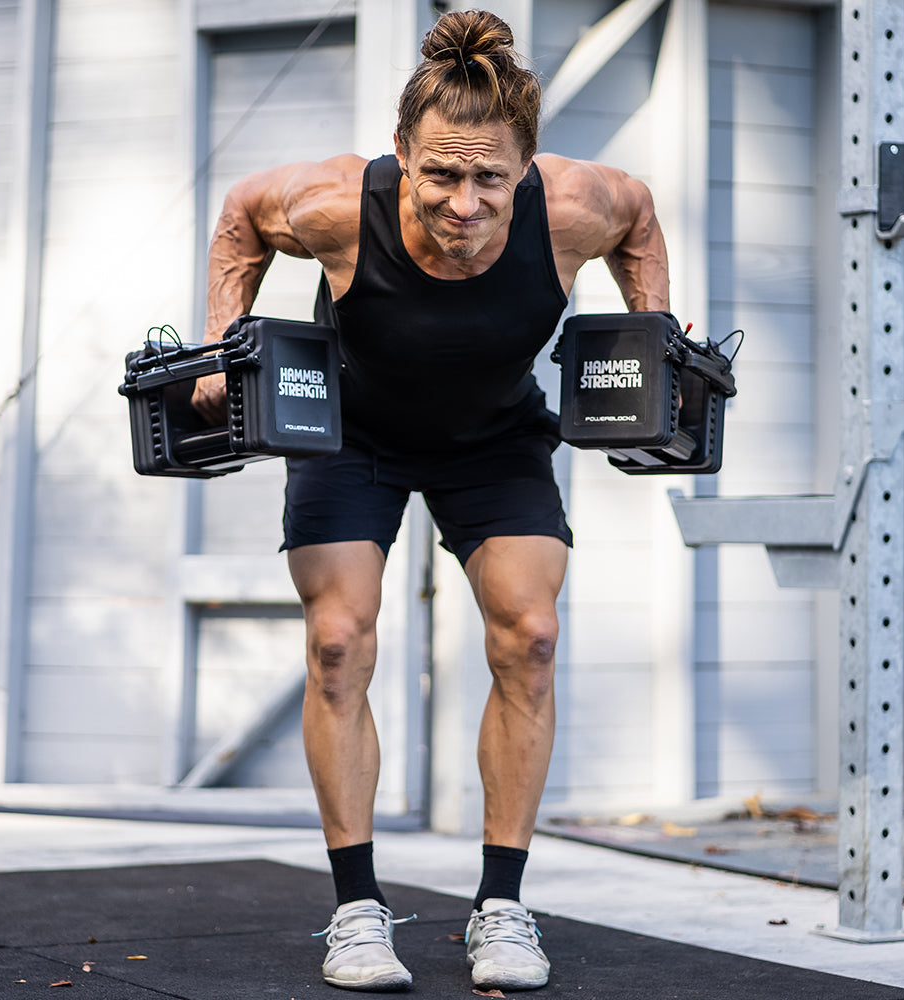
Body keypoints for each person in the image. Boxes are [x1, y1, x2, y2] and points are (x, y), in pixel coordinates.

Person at [193, 8, 670, 992]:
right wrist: (217, 337)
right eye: (439, 173)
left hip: (493, 439)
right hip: (352, 434)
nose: (462, 201)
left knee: (530, 634)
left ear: (526, 171)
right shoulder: (333, 205)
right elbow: (242, 209)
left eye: (488, 177)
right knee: (337, 641)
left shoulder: (573, 207)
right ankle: (357, 913)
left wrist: (651, 334)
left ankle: (501, 907)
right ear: (402, 152)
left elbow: (639, 215)